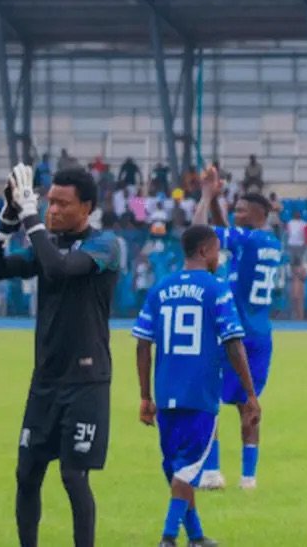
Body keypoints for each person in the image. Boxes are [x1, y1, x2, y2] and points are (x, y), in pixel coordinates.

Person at [0, 165, 122, 547]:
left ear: (87, 207)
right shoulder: (49, 243)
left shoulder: (106, 245)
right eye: (49, 201)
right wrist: (8, 219)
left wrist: (30, 218)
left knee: (74, 478)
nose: (52, 210)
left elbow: (59, 270)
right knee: (26, 474)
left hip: (87, 382)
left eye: (62, 203)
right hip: (45, 382)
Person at [132, 225, 261, 547]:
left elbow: (142, 344)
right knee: (187, 470)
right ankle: (168, 537)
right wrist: (250, 393)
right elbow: (234, 344)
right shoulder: (217, 289)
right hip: (200, 393)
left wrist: (145, 395)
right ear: (205, 251)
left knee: (176, 468)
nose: (219, 257)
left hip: (165, 392)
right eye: (217, 250)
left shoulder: (161, 288)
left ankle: (197, 536)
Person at [193, 167, 282, 490]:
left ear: (258, 213)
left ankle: (213, 471)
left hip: (232, 331)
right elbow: (224, 228)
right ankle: (249, 478)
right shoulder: (268, 241)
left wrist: (205, 195)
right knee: (249, 402)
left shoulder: (245, 239)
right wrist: (218, 200)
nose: (236, 212)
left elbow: (200, 235)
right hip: (260, 333)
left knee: (209, 399)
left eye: (242, 209)